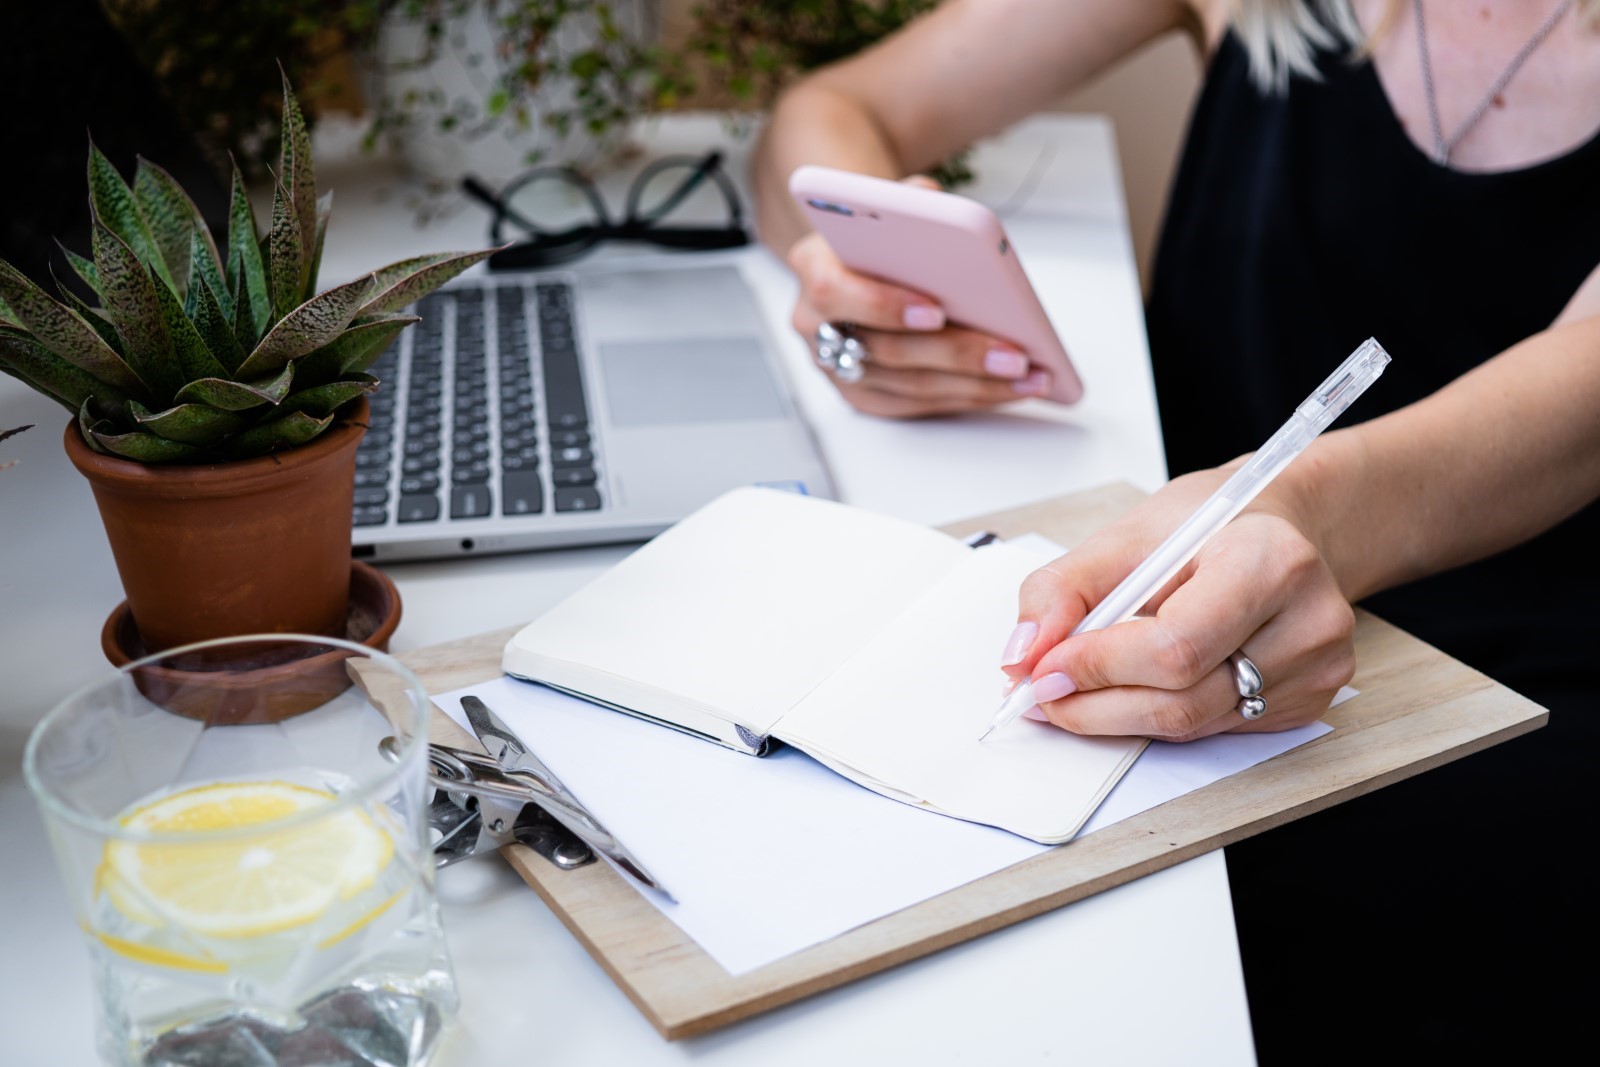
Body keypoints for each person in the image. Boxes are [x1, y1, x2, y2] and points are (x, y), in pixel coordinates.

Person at [750, 0, 1600, 1060]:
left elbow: (1578, 413)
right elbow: (828, 111)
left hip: (1517, 677)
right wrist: (859, 284)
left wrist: (1287, 508)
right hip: (1154, 593)